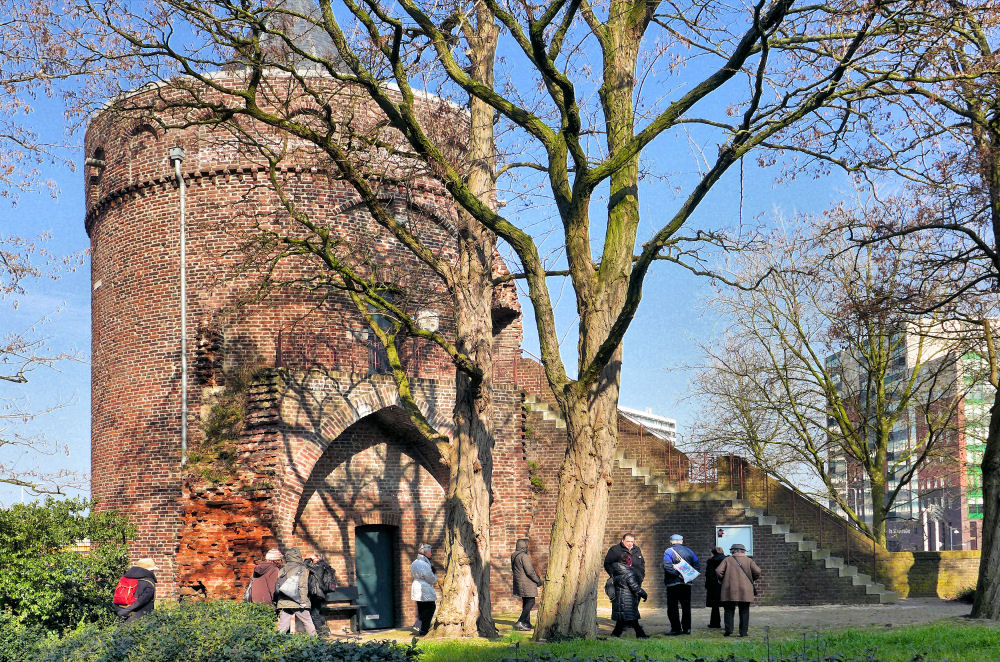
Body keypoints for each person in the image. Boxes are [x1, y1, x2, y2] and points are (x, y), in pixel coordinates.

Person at [715, 543, 762, 638]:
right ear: (743, 551)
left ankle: (728, 631)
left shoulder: (727, 560)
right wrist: (752, 579)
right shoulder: (749, 560)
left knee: (728, 610)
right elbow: (757, 571)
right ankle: (743, 632)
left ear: (732, 551)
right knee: (744, 611)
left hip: (729, 589)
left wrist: (723, 579)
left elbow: (718, 571)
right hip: (745, 590)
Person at [662, 533, 700, 635]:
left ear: (671, 542)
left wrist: (677, 575)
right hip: (686, 584)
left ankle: (676, 629)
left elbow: (667, 566)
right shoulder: (690, 551)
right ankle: (687, 629)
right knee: (686, 607)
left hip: (672, 584)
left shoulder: (668, 552)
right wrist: (687, 576)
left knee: (673, 607)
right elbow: (697, 566)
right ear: (682, 541)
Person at [274, 547, 317, 636]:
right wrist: (304, 601)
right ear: (298, 556)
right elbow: (302, 586)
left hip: (284, 601)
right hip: (298, 601)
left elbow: (279, 585)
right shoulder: (301, 569)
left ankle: (276, 644)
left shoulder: (283, 569)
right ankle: (316, 643)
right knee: (308, 622)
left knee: (283, 627)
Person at [609, 552, 649, 638]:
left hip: (619, 600)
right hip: (628, 601)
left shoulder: (615, 571)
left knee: (622, 620)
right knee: (633, 619)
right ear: (629, 562)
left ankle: (615, 635)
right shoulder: (629, 573)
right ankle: (641, 635)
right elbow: (635, 587)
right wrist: (644, 594)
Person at [511, 538, 544, 631]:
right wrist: (538, 581)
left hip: (519, 582)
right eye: (526, 546)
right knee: (531, 601)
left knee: (526, 602)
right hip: (526, 583)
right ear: (524, 547)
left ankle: (527, 623)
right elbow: (530, 572)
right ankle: (520, 621)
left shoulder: (514, 555)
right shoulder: (524, 557)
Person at [112, 557, 158, 622]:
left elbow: (117, 596)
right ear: (150, 570)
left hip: (124, 617)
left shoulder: (126, 578)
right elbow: (142, 600)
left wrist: (122, 611)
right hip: (142, 621)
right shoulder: (149, 582)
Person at [410, 543, 437, 636]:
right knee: (430, 607)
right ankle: (424, 629)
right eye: (430, 552)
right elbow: (430, 577)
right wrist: (434, 576)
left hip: (416, 586)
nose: (431, 554)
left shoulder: (414, 562)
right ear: (425, 553)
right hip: (424, 587)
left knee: (421, 608)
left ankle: (419, 626)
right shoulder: (424, 564)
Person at [307, 553, 336, 636]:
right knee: (321, 613)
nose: (313, 560)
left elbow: (304, 564)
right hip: (323, 594)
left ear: (318, 559)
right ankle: (326, 632)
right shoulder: (325, 566)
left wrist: (309, 559)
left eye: (315, 558)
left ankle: (321, 634)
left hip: (316, 594)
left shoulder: (318, 567)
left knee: (314, 614)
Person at [704, 546, 726, 629]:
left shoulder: (710, 561)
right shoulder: (726, 560)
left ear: (713, 553)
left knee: (715, 606)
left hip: (713, 585)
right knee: (727, 606)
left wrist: (707, 585)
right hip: (725, 585)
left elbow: (708, 575)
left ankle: (715, 623)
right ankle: (728, 624)